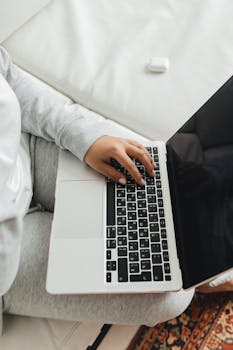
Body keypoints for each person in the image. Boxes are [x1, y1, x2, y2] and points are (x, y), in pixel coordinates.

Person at [0, 46, 195, 330]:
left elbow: (8, 77)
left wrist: (83, 138)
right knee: (170, 294)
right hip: (10, 260)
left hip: (25, 153)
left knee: (164, 180)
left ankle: (208, 268)